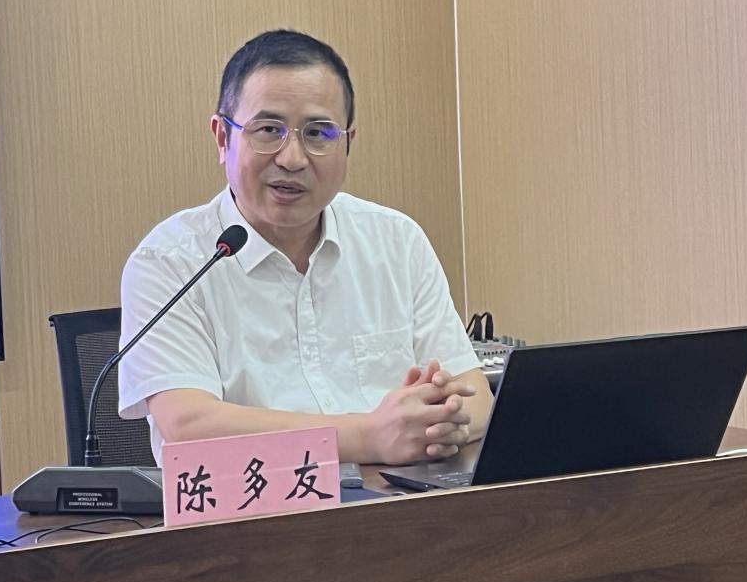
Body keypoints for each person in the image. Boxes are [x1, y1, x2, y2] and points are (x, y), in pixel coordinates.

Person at [119, 29, 493, 465]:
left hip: (397, 498)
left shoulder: (396, 240)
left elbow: (476, 396)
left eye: (318, 133)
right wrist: (370, 437)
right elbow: (189, 425)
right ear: (223, 138)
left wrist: (442, 420)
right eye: (268, 130)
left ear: (348, 143)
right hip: (252, 504)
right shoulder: (169, 261)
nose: (292, 158)